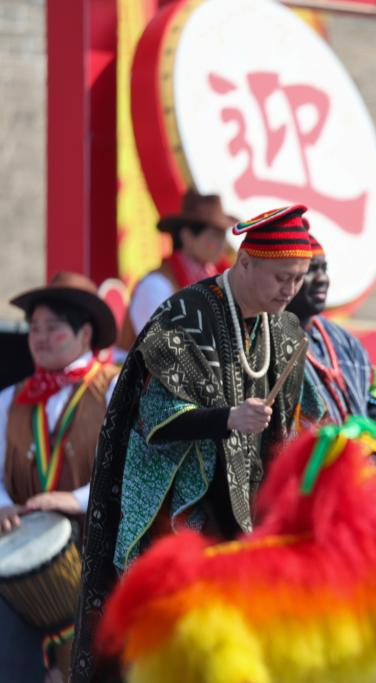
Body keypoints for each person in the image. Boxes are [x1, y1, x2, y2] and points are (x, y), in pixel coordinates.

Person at [71, 205, 313, 682]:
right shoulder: (185, 314)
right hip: (179, 501)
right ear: (245, 263)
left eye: (298, 278)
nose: (292, 290)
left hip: (247, 511)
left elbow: (294, 425)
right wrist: (228, 418)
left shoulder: (285, 332)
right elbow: (157, 417)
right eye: (282, 277)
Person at [0, 272, 120, 682]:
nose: (39, 337)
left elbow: (132, 467)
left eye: (53, 328)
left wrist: (76, 500)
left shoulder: (114, 387)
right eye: (34, 328)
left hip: (100, 555)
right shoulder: (10, 398)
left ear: (84, 333)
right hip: (23, 558)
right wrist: (2, 506)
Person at [287, 232, 376, 450]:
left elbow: (373, 404)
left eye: (324, 269)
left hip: (356, 467)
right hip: (306, 470)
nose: (322, 278)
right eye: (311, 270)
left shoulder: (346, 341)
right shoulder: (269, 340)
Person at [120, 189, 235, 346]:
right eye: (215, 235)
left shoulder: (213, 281)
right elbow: (161, 346)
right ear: (187, 236)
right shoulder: (156, 284)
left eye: (223, 236)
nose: (222, 245)